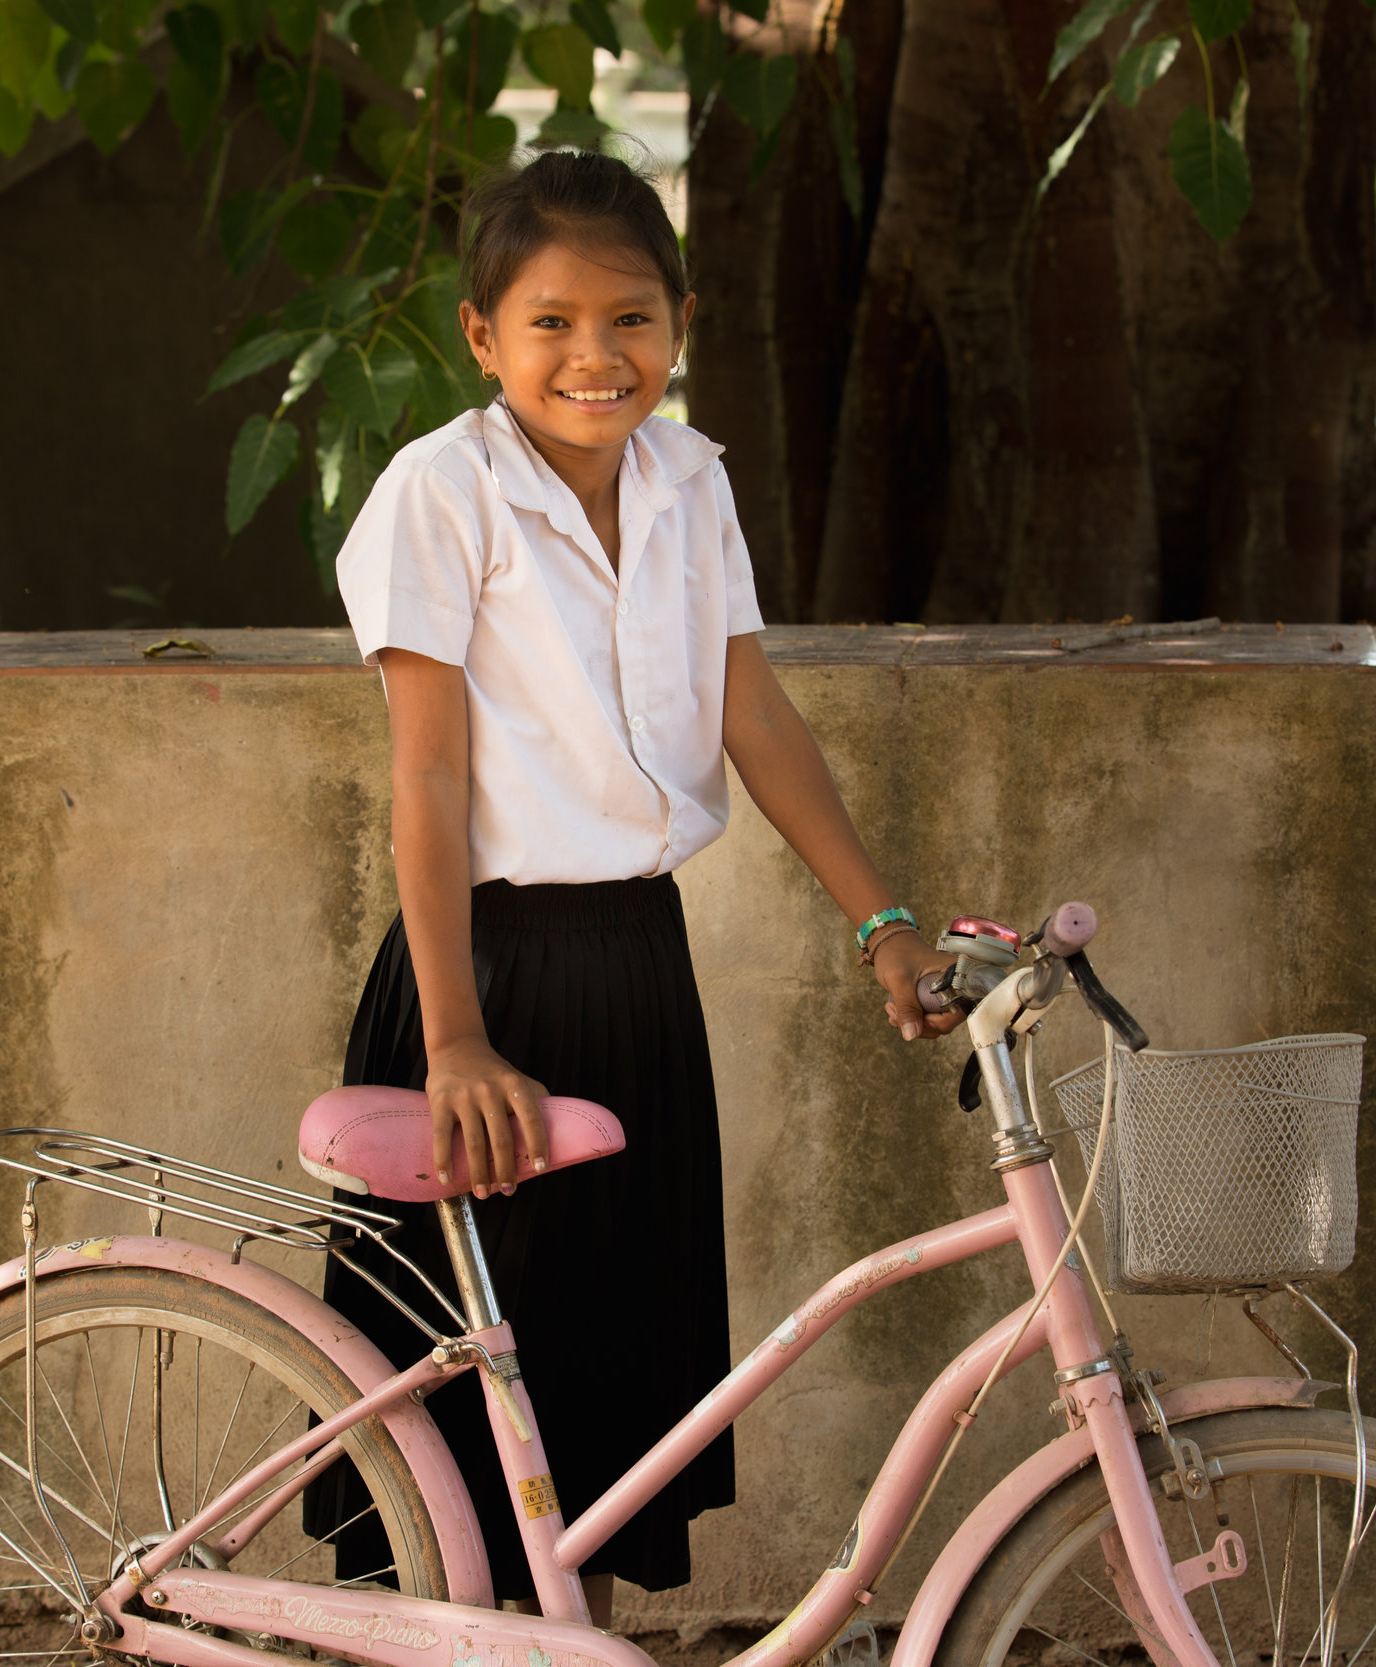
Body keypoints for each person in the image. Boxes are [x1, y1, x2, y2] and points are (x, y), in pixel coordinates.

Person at [308, 149, 958, 1626]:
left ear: (680, 325)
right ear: (482, 336)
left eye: (630, 321)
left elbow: (755, 715)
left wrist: (882, 921)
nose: (594, 358)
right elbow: (425, 781)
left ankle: (566, 1637)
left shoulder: (689, 482)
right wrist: (455, 1039)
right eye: (550, 322)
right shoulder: (440, 496)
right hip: (487, 971)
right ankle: (460, 1642)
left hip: (636, 966)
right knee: (481, 1375)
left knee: (606, 1366)